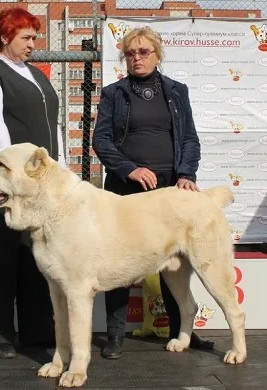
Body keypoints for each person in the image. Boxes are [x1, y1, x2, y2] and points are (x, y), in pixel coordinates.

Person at [92, 26, 214, 359]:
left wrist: (186, 174)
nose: (137, 58)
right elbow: (100, 140)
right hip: (125, 190)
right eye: (131, 53)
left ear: (157, 55)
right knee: (117, 260)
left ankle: (182, 332)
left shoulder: (177, 91)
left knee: (174, 262)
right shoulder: (114, 93)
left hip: (170, 190)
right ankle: (115, 335)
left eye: (144, 52)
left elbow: (189, 138)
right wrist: (129, 168)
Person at [0, 7, 65, 359]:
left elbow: (53, 126)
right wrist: (15, 171)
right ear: (5, 37)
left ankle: (38, 330)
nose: (33, 44)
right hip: (0, 182)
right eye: (26, 37)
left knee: (34, 252)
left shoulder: (37, 74)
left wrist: (61, 169)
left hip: (36, 186)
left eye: (35, 37)